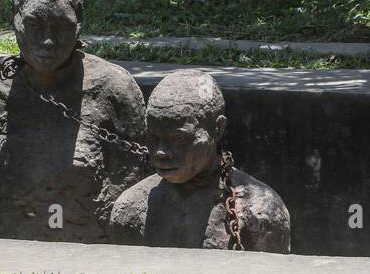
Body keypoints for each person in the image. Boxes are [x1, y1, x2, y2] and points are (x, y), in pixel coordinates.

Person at [0, 0, 146, 242]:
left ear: (79, 20)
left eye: (61, 26)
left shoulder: (114, 91)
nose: (47, 42)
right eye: (34, 25)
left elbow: (130, 202)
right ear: (15, 15)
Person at [109, 70, 291, 253]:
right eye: (153, 138)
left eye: (179, 139)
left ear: (217, 129)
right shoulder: (130, 208)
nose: (161, 152)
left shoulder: (260, 211)